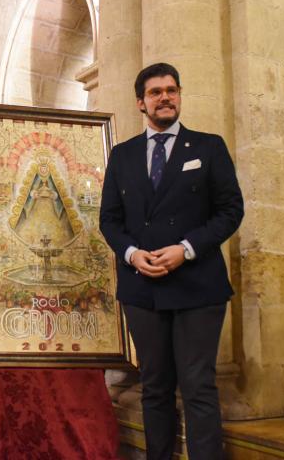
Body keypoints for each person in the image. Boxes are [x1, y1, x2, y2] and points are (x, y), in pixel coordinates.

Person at [99, 63, 243, 459]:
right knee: (155, 387)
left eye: (171, 90)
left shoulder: (209, 147)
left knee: (198, 386)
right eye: (155, 92)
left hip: (198, 285)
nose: (165, 97)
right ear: (141, 103)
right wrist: (132, 254)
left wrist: (187, 248)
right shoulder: (122, 155)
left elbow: (230, 211)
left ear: (178, 95)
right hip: (142, 288)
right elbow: (109, 219)